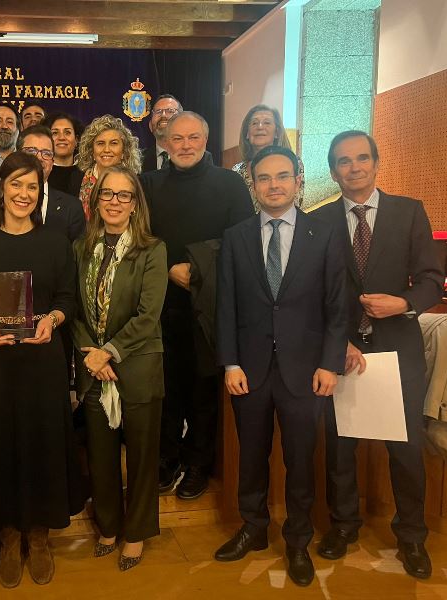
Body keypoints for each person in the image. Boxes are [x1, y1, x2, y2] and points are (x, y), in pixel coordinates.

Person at [214, 145, 347, 586]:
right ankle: (252, 528)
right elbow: (226, 306)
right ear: (253, 184)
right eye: (264, 178)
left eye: (282, 176)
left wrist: (330, 364)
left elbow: (336, 306)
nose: (274, 185)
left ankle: (297, 540)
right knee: (251, 457)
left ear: (297, 180)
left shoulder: (324, 234)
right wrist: (229, 362)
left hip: (305, 372)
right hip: (249, 370)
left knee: (300, 461)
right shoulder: (235, 236)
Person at [314, 131, 444, 579]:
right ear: (333, 170)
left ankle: (411, 536)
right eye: (344, 162)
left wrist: (404, 303)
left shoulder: (409, 212)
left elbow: (432, 279)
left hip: (397, 349)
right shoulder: (321, 219)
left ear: (376, 162)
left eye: (362, 159)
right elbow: (314, 290)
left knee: (406, 450)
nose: (354, 168)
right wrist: (337, 341)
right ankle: (343, 525)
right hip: (343, 350)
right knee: (339, 447)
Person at [0, 152, 86, 588]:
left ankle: (40, 534)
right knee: (0, 445)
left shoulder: (55, 242)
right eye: (16, 184)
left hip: (42, 360)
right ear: (1, 189)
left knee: (42, 444)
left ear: (40, 192)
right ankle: (8, 537)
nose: (23, 194)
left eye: (32, 186)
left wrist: (52, 320)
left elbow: (68, 298)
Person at [141, 111, 254, 500]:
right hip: (161, 304)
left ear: (205, 140)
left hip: (212, 304)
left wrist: (200, 271)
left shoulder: (230, 184)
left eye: (193, 138)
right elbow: (139, 239)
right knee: (166, 388)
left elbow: (242, 243)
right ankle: (167, 458)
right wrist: (167, 269)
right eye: (177, 139)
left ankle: (198, 463)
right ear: (164, 142)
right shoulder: (149, 185)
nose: (185, 145)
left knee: (204, 390)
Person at [72, 166, 167, 571]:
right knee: (101, 453)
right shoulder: (79, 248)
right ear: (95, 202)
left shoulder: (152, 249)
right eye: (107, 194)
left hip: (138, 363)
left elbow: (148, 316)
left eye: (123, 195)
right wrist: (91, 353)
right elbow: (72, 307)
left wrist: (108, 351)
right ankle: (108, 527)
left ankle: (137, 532)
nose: (114, 202)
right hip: (93, 365)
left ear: (135, 204)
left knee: (143, 455)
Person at [17, 125, 85, 240]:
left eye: (46, 153)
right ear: (17, 157)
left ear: (52, 163)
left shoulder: (72, 208)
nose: (39, 157)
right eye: (31, 151)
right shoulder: (0, 200)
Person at [232, 105, 304, 211]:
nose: (260, 127)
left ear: (276, 133)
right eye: (254, 123)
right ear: (247, 133)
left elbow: (296, 205)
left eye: (267, 122)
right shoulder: (236, 171)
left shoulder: (294, 163)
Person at [76, 114, 141, 220]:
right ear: (91, 150)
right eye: (100, 143)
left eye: (114, 143)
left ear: (124, 151)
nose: (106, 149)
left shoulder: (137, 182)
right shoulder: (76, 179)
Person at [44, 111, 85, 196]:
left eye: (67, 132)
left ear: (77, 140)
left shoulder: (87, 173)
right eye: (55, 133)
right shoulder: (41, 172)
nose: (62, 138)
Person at [142, 94, 182, 172]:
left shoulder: (194, 157)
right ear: (150, 126)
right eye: (158, 111)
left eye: (170, 111)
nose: (163, 115)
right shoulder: (137, 159)